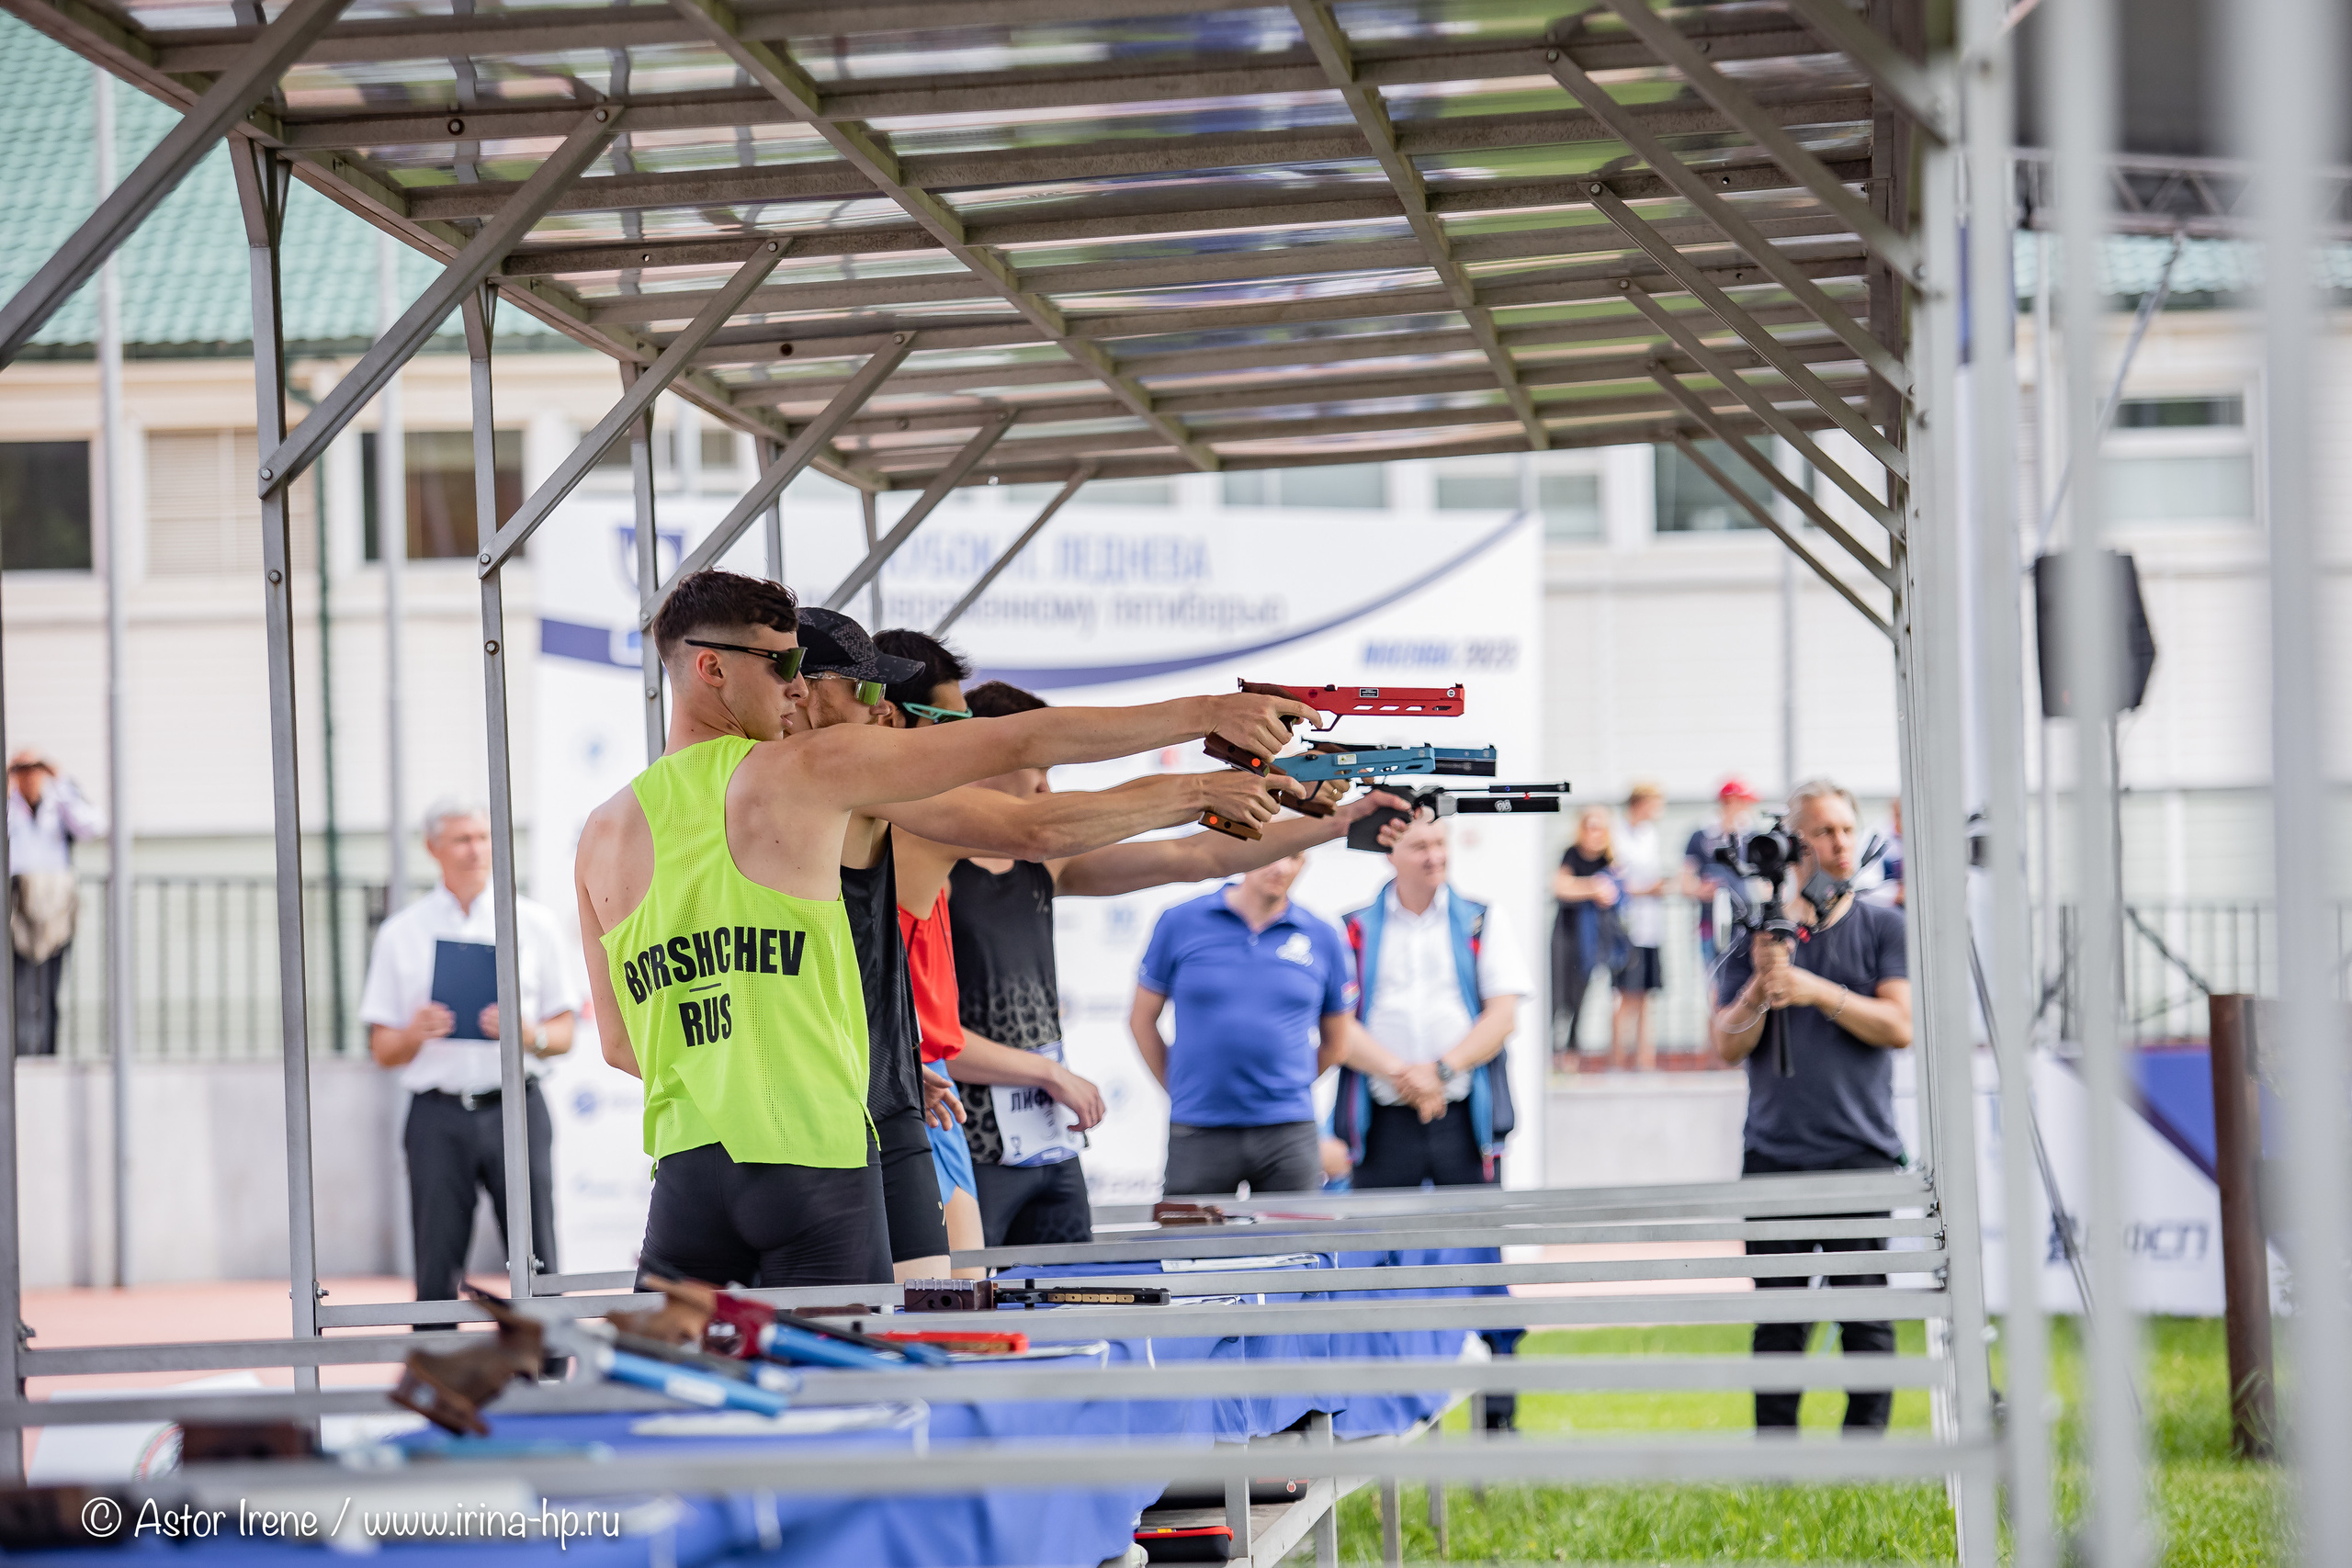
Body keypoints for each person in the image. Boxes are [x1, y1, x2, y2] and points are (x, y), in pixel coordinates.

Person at [574, 570, 1312, 1290]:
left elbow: (618, 1044)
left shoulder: (600, 834)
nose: (795, 686)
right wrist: (1208, 712)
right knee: (866, 1401)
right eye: (783, 664)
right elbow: (1022, 744)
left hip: (685, 1172)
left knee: (678, 1400)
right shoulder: (801, 769)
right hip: (816, 1153)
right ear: (710, 667)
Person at [865, 626, 1317, 1271]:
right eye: (953, 730)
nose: (1045, 785)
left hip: (1001, 1128)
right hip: (953, 1122)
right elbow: (1042, 818)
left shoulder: (1010, 857)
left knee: (986, 1310)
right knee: (949, 1316)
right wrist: (1205, 762)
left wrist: (1326, 815)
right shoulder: (914, 828)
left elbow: (1190, 855)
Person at [936, 679, 1408, 1250]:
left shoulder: (1044, 864)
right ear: (985, 755)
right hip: (963, 1132)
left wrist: (1338, 823)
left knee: (1068, 1301)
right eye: (1036, 766)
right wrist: (1048, 1073)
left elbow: (1197, 855)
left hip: (1048, 1137)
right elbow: (927, 1036)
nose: (1045, 784)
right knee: (965, 1309)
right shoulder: (925, 865)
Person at [1711, 777, 1913, 1435]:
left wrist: (1812, 987)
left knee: (1866, 1315)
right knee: (1779, 1320)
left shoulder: (1884, 924)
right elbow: (1725, 1046)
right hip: (1775, 1154)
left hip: (1860, 1152)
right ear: (1795, 842)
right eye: (1823, 831)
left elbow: (1898, 1025)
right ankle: (1778, 1459)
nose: (1839, 843)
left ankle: (1867, 1457)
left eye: (1847, 829)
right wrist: (1760, 992)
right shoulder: (1760, 932)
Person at [1331, 815, 1531, 1427]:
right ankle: (1377, 1410)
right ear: (1390, 852)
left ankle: (1499, 1419)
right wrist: (1403, 1074)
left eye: (1441, 843)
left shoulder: (1479, 919)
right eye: (1420, 845)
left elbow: (1502, 1016)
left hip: (1460, 1121)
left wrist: (1438, 1074)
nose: (1435, 856)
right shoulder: (1353, 929)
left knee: (1481, 1263)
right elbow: (1337, 1024)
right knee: (1373, 1263)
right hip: (1382, 1121)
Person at [360, 800, 582, 1303]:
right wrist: (415, 1032)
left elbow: (564, 1034)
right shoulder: (401, 933)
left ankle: (549, 1371)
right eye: (462, 839)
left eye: (483, 837)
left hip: (518, 1109)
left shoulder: (535, 924)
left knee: (537, 1256)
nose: (476, 850)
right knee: (436, 1262)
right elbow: (382, 1049)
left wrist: (528, 1035)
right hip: (437, 1117)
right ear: (432, 849)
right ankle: (440, 1373)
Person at [1129, 852, 1355, 1196]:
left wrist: (1283, 1087)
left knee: (1296, 1248)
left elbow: (1337, 1042)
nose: (1281, 867)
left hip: (1288, 1131)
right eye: (1273, 852)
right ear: (1248, 847)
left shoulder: (1322, 935)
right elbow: (1142, 1020)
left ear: (1304, 863)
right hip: (1199, 1128)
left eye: (1294, 856)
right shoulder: (1180, 921)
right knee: (1190, 1247)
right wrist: (1182, 1089)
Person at [6, 749, 105, 1057]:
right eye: (22, 769)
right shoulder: (11, 806)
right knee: (16, 990)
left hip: (54, 909)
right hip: (15, 909)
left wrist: (60, 781)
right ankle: (17, 1053)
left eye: (36, 768)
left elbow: (94, 825)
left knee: (49, 989)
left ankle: (46, 1053)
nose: (30, 776)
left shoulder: (59, 803)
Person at [1548, 806, 1622, 1072]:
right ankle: (1552, 1051)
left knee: (1581, 997)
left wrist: (1584, 889)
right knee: (1557, 995)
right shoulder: (1571, 854)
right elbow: (1560, 887)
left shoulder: (1609, 860)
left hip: (1592, 941)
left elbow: (1616, 892)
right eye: (1590, 826)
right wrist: (1592, 888)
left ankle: (1571, 1053)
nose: (1595, 833)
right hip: (1565, 933)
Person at [1610, 781, 1668, 1072]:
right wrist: (1648, 890)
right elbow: (1616, 884)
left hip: (1650, 926)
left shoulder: (1650, 835)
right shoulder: (1616, 834)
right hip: (1627, 926)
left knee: (1646, 995)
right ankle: (1618, 1060)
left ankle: (1645, 1061)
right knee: (1626, 995)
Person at [1682, 777, 1758, 975]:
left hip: (1748, 919)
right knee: (1715, 974)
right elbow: (1685, 881)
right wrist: (1701, 890)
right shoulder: (1701, 836)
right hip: (1711, 919)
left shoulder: (1752, 836)